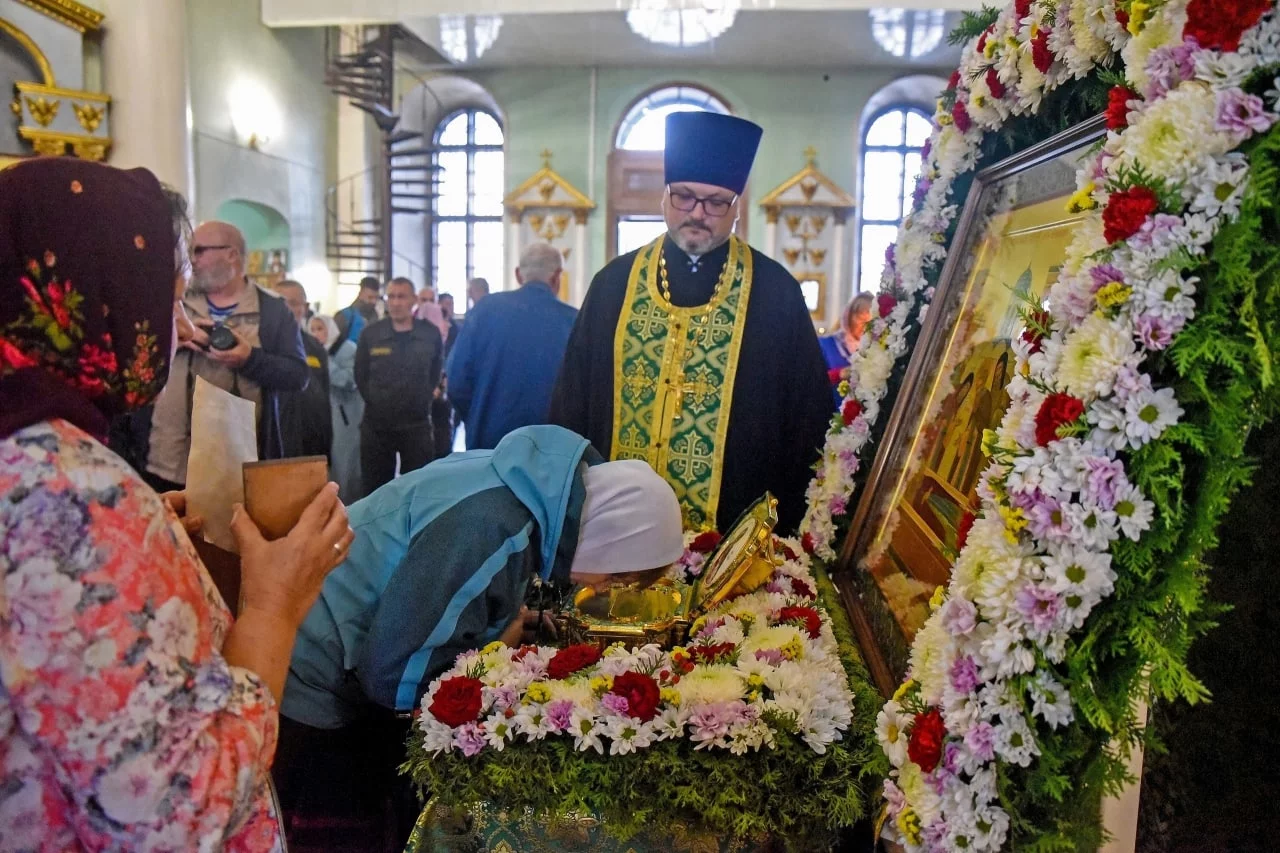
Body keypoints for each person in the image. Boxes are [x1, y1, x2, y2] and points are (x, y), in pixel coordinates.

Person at [0, 157, 353, 849]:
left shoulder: (35, 456)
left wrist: (153, 545)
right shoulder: (74, 496)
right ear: (101, 293)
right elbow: (181, 813)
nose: (168, 316)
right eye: (167, 291)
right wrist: (273, 608)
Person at [273, 424, 683, 847]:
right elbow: (392, 675)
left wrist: (509, 617)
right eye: (617, 577)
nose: (601, 590)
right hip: (313, 676)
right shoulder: (493, 525)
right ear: (609, 538)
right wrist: (497, 648)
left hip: (317, 640)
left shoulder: (527, 486)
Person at [549, 111, 832, 533]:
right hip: (617, 536)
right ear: (665, 197)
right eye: (683, 196)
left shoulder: (776, 293)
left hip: (734, 541)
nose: (697, 213)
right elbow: (572, 405)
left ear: (737, 207)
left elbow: (807, 425)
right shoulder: (614, 285)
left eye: (716, 202)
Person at [144, 220, 309, 491]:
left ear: (232, 255)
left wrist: (250, 360)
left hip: (241, 464)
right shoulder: (174, 303)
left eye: (199, 251)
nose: (191, 260)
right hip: (171, 461)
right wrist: (179, 337)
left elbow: (298, 375)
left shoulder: (273, 310)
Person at [447, 242, 578, 450]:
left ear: (518, 275)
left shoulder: (484, 311)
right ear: (556, 277)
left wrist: (478, 418)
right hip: (553, 451)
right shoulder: (573, 321)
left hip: (490, 446)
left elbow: (456, 382)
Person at [354, 276, 443, 495]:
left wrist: (420, 398)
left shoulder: (429, 334)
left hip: (416, 425)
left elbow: (434, 373)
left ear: (414, 300)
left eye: (401, 297)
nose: (395, 302)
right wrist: (378, 400)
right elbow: (360, 375)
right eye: (391, 297)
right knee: (375, 491)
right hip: (377, 426)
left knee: (418, 490)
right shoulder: (371, 334)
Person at [276, 279, 334, 461]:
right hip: (276, 441)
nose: (286, 309)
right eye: (280, 303)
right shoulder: (260, 347)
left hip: (312, 439)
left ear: (305, 307)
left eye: (292, 303)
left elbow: (324, 397)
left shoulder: (315, 347)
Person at [310, 313, 364, 503]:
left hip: (346, 418)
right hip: (322, 416)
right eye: (313, 330)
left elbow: (350, 380)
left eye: (320, 329)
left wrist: (324, 360)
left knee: (346, 466)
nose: (316, 334)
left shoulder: (348, 349)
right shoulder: (312, 351)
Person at [819, 292, 874, 406]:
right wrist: (839, 374)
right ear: (848, 316)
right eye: (860, 316)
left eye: (869, 320)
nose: (864, 325)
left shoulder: (876, 350)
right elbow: (810, 380)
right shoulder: (826, 345)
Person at [335, 276, 381, 347]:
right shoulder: (344, 316)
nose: (374, 301)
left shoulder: (377, 317)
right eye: (370, 297)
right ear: (360, 294)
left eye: (376, 298)